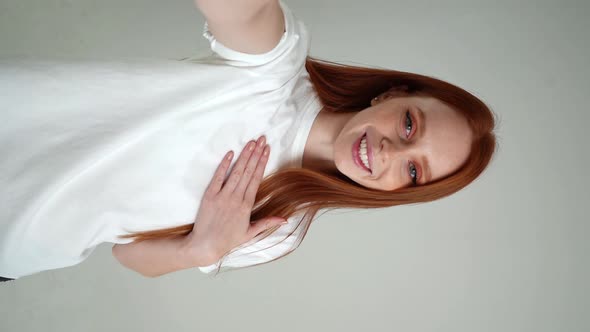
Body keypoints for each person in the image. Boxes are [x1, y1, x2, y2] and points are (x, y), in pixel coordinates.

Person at [0, 0, 497, 281]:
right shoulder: (275, 71)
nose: (391, 152)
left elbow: (125, 254)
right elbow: (244, 10)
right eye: (409, 125)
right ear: (391, 94)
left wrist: (200, 249)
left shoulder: (277, 229)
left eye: (414, 172)